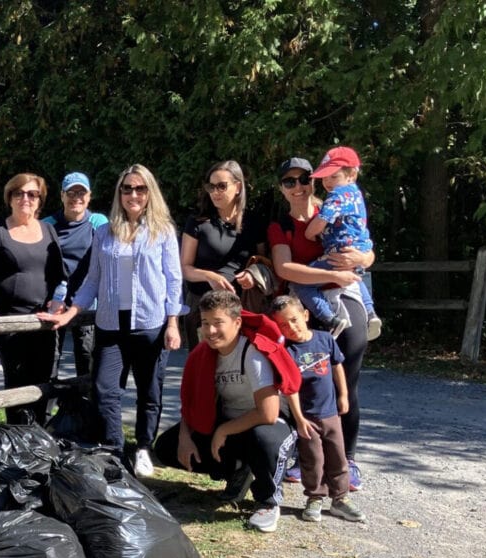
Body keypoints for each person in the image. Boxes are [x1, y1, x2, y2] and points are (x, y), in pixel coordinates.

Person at [39, 164, 182, 479]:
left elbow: (174, 280)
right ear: (119, 193)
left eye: (140, 189)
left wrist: (173, 322)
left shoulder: (163, 230)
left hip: (150, 323)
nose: (133, 194)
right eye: (127, 188)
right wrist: (73, 311)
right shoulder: (104, 231)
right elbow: (92, 279)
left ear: (149, 193)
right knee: (105, 388)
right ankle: (115, 449)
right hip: (111, 325)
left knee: (150, 390)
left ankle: (143, 447)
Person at [268, 156, 374, 490]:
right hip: (303, 309)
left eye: (304, 179)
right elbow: (285, 269)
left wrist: (364, 258)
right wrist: (333, 273)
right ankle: (306, 456)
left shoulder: (337, 204)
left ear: (315, 181)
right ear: (282, 188)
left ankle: (347, 460)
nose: (298, 186)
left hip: (345, 296)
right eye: (289, 181)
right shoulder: (280, 226)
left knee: (347, 382)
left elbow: (365, 248)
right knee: (304, 383)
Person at [153, 291, 299, 533]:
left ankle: (268, 501)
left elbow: (269, 413)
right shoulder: (203, 354)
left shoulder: (252, 352)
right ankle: (238, 471)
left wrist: (223, 430)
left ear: (237, 322)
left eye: (218, 323)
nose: (210, 331)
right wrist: (185, 436)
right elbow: (194, 402)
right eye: (205, 323)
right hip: (232, 424)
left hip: (269, 425)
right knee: (167, 448)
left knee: (263, 440)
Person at [0, 173, 64, 425]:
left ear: (40, 200)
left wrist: (58, 303)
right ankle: (17, 438)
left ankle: (39, 440)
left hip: (42, 322)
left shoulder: (48, 230)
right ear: (9, 197)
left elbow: (59, 276)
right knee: (17, 381)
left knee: (43, 380)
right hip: (8, 322)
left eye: (32, 194)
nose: (26, 199)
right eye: (19, 193)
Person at [270, 295, 365, 524]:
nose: (291, 327)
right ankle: (315, 497)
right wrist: (299, 419)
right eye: (283, 325)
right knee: (313, 460)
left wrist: (343, 395)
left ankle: (340, 499)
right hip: (307, 417)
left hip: (330, 413)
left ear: (305, 315)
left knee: (338, 456)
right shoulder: (287, 351)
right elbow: (290, 389)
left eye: (293, 320)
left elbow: (337, 367)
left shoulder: (325, 339)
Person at [179, 160, 267, 349]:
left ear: (238, 187)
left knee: (239, 369)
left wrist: (253, 274)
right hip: (203, 307)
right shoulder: (198, 221)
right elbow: (184, 268)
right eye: (211, 186)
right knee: (204, 371)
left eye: (221, 186)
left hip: (241, 307)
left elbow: (264, 262)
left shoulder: (254, 222)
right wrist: (209, 276)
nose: (215, 192)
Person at [299, 146, 382, 340]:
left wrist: (309, 233)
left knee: (300, 284)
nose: (327, 182)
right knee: (355, 275)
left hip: (339, 252)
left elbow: (321, 222)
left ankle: (330, 318)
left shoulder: (338, 195)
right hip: (357, 249)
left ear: (351, 174)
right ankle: (370, 313)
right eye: (325, 177)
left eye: (333, 176)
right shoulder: (355, 195)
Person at [41, 171, 109, 378]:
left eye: (81, 192)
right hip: (54, 303)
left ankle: (84, 407)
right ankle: (45, 409)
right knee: (49, 360)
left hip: (88, 303)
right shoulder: (47, 225)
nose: (76, 198)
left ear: (89, 196)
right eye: (71, 193)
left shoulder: (98, 223)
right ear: (62, 195)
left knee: (87, 359)